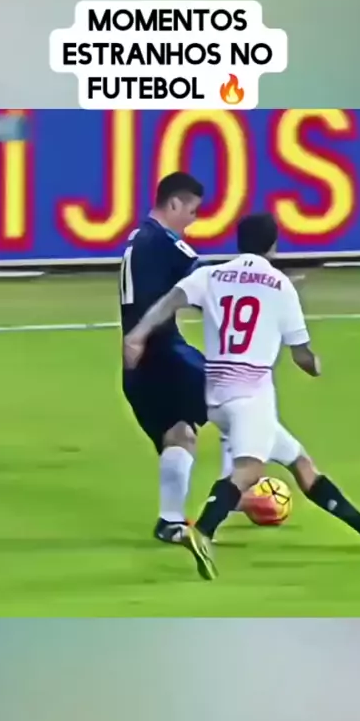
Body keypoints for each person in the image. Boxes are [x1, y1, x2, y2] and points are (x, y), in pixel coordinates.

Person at [124, 212, 360, 579]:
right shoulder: (279, 285)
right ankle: (202, 532)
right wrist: (315, 364)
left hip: (216, 397)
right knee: (249, 470)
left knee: (301, 464)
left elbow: (168, 303)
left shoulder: (211, 275)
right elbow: (301, 356)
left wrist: (137, 335)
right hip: (251, 398)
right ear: (273, 245)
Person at [119, 171, 211, 544]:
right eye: (192, 210)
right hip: (166, 357)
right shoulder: (165, 242)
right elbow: (209, 283)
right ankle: (239, 489)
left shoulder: (136, 239)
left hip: (136, 369)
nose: (193, 219)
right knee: (238, 398)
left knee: (180, 435)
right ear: (174, 203)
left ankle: (169, 523)